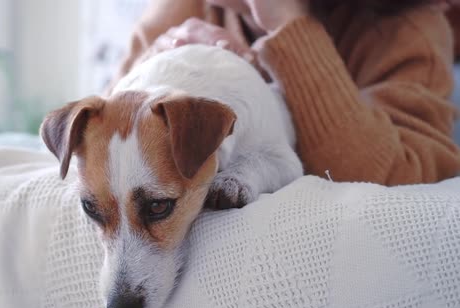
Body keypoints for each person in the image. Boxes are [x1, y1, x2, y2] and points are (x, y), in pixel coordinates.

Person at [111, 0, 460, 185]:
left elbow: (398, 181)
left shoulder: (411, 31)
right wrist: (159, 63)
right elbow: (101, 145)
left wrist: (289, 25)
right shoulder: (178, 10)